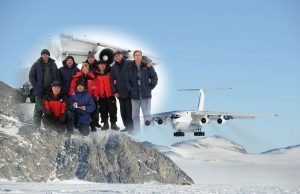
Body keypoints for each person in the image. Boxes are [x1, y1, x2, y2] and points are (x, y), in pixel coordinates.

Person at [125, 50, 158, 129]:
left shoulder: (147, 66)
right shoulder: (130, 68)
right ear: (133, 57)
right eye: (136, 55)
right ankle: (137, 133)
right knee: (135, 116)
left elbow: (154, 77)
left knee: (146, 116)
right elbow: (126, 81)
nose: (137, 57)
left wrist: (150, 87)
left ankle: (148, 133)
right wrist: (131, 90)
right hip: (134, 97)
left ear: (141, 56)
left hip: (146, 96)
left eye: (139, 55)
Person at [29, 49, 59, 127]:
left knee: (50, 108)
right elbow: (31, 76)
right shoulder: (36, 64)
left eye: (46, 55)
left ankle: (48, 126)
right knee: (39, 108)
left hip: (50, 91)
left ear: (49, 56)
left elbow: (57, 76)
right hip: (40, 91)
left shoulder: (53, 64)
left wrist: (56, 86)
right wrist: (36, 87)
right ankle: (36, 126)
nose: (45, 56)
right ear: (41, 55)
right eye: (43, 55)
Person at [69, 63, 100, 131]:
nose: (85, 70)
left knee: (93, 110)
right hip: (79, 95)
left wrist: (96, 95)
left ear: (88, 69)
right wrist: (72, 93)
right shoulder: (77, 76)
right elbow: (72, 86)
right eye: (84, 69)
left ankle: (92, 125)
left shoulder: (92, 77)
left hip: (89, 96)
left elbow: (95, 87)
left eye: (86, 69)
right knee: (78, 109)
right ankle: (77, 123)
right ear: (82, 69)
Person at [110, 51, 133, 131]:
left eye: (118, 55)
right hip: (119, 93)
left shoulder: (129, 63)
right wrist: (115, 91)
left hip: (129, 92)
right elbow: (111, 80)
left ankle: (131, 128)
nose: (117, 57)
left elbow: (139, 63)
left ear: (122, 56)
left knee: (129, 111)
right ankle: (127, 126)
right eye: (115, 56)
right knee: (122, 111)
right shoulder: (113, 67)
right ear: (114, 58)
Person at [94, 60, 120, 130]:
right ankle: (105, 123)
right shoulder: (96, 74)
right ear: (98, 66)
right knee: (103, 110)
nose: (102, 66)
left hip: (110, 94)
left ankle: (113, 123)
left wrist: (116, 90)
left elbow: (115, 80)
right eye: (100, 65)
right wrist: (96, 95)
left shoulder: (110, 72)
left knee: (113, 109)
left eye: (103, 65)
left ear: (105, 65)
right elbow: (95, 85)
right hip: (101, 96)